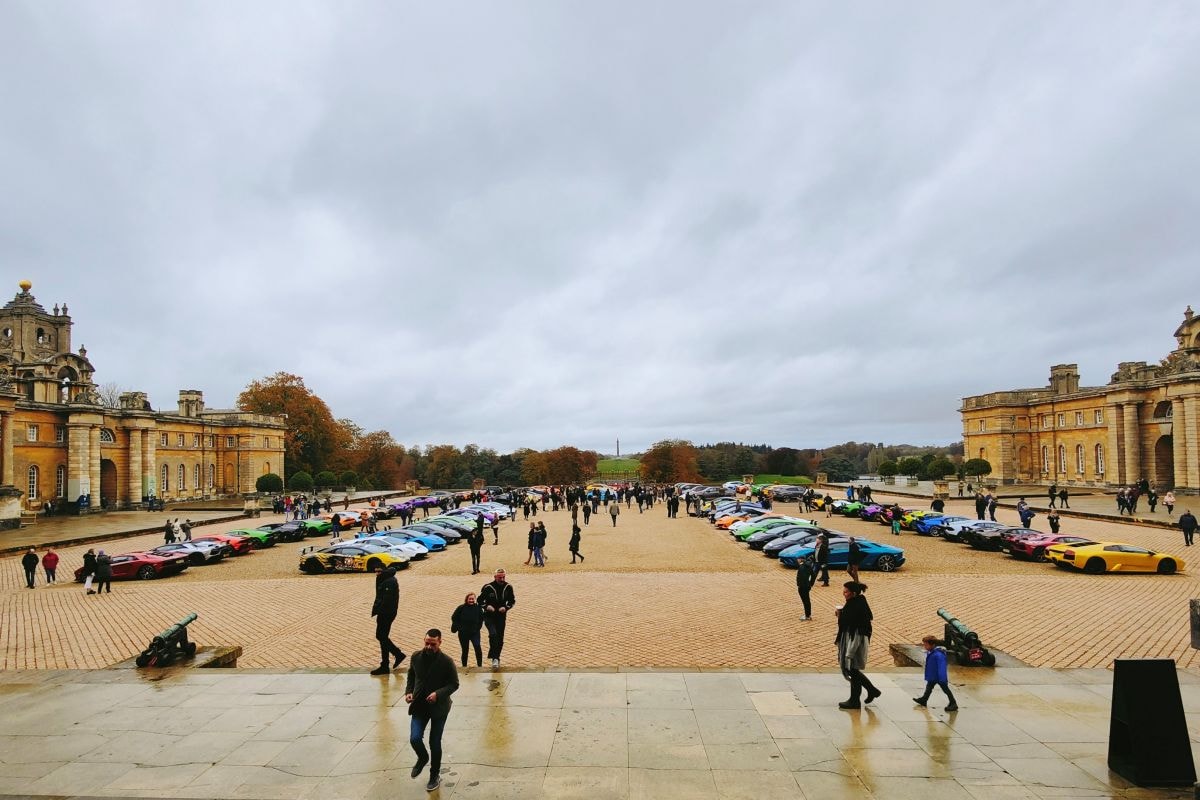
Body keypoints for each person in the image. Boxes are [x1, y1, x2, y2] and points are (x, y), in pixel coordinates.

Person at [405, 628, 459, 793]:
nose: (429, 647)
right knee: (415, 738)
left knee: (434, 742)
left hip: (439, 708)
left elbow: (454, 684)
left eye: (433, 644)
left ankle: (434, 775)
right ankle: (422, 758)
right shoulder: (416, 657)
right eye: (427, 643)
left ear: (440, 642)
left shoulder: (447, 662)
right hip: (419, 706)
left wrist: (438, 694)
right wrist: (408, 691)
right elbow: (412, 674)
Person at [836, 581, 880, 709]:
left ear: (853, 593)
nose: (843, 594)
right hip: (854, 638)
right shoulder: (857, 602)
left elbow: (848, 621)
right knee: (853, 669)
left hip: (856, 640)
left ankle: (860, 697)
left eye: (846, 592)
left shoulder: (857, 605)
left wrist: (840, 615)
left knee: (853, 669)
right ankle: (864, 694)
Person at [370, 565, 405, 675]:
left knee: (381, 636)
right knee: (382, 637)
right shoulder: (383, 579)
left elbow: (387, 600)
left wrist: (380, 610)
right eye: (376, 572)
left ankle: (394, 657)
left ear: (384, 571)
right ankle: (387, 662)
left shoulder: (389, 581)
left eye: (379, 571)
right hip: (384, 613)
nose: (377, 574)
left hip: (386, 613)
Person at [480, 569, 516, 669]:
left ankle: (496, 657)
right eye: (500, 577)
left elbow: (512, 601)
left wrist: (506, 607)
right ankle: (494, 658)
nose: (502, 579)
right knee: (493, 634)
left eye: (503, 577)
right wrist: (486, 606)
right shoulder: (488, 587)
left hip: (501, 616)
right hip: (489, 616)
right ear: (495, 577)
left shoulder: (508, 587)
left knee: (500, 638)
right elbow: (479, 600)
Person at [913, 635, 958, 711]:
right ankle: (924, 699)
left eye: (926, 645)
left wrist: (942, 678)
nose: (925, 646)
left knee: (945, 689)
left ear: (933, 645)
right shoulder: (932, 652)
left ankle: (953, 703)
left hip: (939, 677)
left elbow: (941, 667)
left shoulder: (938, 655)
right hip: (933, 675)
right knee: (929, 687)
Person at [451, 593, 484, 669]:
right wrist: (460, 628)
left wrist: (478, 628)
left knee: (478, 648)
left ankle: (480, 666)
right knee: (465, 650)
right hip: (463, 634)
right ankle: (464, 667)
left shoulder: (478, 608)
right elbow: (454, 618)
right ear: (466, 599)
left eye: (473, 599)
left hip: (475, 633)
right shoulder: (461, 608)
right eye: (470, 599)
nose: (471, 600)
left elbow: (481, 619)